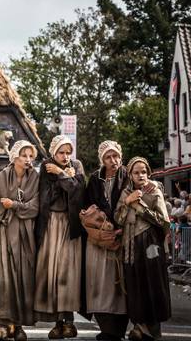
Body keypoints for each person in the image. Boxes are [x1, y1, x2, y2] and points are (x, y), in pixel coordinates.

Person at [0, 140, 39, 341]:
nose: (28, 160)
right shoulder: (1, 177)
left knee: (23, 279)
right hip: (3, 233)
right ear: (14, 157)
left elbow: (35, 207)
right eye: (24, 155)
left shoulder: (35, 178)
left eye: (31, 156)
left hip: (25, 234)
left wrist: (14, 205)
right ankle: (2, 325)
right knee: (1, 279)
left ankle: (20, 326)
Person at [33, 135, 85, 338]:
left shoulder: (76, 165)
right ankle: (57, 322)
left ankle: (69, 322)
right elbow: (46, 197)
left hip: (71, 225)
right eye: (61, 153)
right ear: (53, 152)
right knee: (51, 273)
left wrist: (63, 175)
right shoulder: (46, 167)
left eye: (68, 152)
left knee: (68, 274)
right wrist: (65, 178)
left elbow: (78, 192)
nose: (65, 156)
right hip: (51, 223)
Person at [115, 157, 171, 341]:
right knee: (134, 285)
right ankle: (139, 327)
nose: (141, 175)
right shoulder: (126, 192)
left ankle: (151, 330)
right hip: (130, 245)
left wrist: (141, 207)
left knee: (152, 285)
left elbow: (164, 221)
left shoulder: (154, 191)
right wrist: (127, 201)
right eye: (137, 172)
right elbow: (118, 218)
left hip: (150, 245)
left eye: (144, 172)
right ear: (130, 175)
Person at [82, 141, 129, 341]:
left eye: (116, 156)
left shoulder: (127, 175)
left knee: (119, 284)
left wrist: (119, 226)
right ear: (102, 159)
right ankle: (106, 328)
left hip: (122, 234)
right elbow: (89, 204)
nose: (113, 161)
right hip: (99, 238)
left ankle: (118, 329)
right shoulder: (94, 178)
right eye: (108, 157)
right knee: (99, 283)